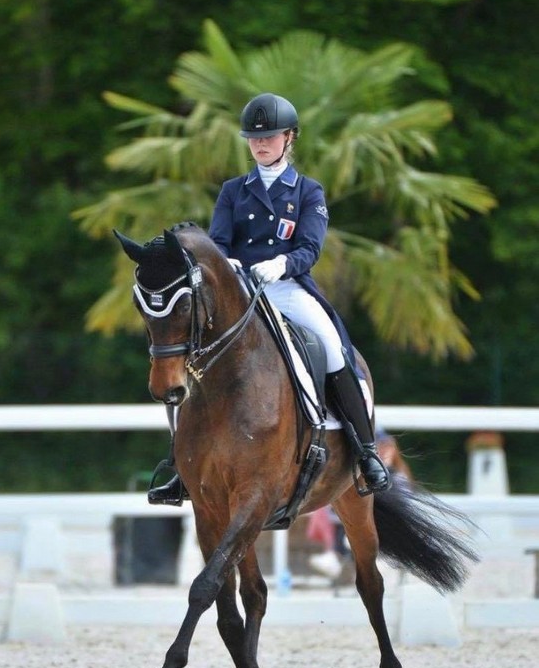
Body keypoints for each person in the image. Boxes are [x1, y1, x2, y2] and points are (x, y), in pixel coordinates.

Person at [149, 93, 389, 505]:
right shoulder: (232, 191)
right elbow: (218, 242)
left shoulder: (308, 191)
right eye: (254, 138)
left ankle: (366, 453)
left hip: (287, 286)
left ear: (289, 138)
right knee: (189, 356)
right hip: (239, 290)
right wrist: (231, 267)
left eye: (270, 136)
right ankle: (180, 464)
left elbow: (311, 247)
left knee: (334, 350)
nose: (261, 144)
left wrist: (281, 265)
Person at [308, 428, 413, 579]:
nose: (383, 450)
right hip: (354, 519)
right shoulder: (359, 473)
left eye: (386, 446)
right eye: (380, 446)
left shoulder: (397, 475)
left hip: (384, 523)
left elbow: (403, 505)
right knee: (339, 510)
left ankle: (362, 554)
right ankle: (336, 553)